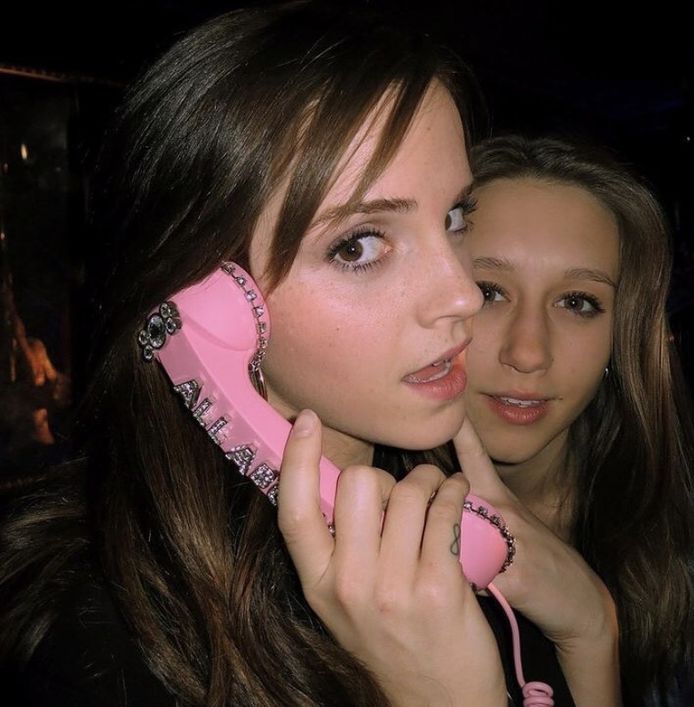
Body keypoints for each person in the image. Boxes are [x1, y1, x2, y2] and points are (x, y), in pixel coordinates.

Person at [0, 5, 573, 706]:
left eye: (453, 218)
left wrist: (590, 630)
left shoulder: (457, 505)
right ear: (210, 303)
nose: (460, 292)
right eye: (358, 245)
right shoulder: (106, 638)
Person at [462, 133, 694, 706]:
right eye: (488, 291)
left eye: (577, 302)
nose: (528, 352)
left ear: (622, 339)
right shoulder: (339, 532)